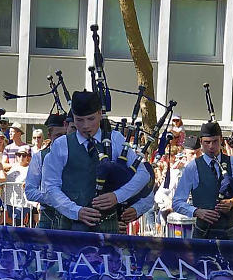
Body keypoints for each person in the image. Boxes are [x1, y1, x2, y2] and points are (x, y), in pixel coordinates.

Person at [34, 90, 150, 233]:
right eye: (79, 120)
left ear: (100, 114)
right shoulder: (61, 145)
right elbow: (50, 186)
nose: (85, 126)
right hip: (69, 227)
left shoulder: (116, 139)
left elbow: (143, 174)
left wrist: (117, 196)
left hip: (107, 226)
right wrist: (76, 211)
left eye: (91, 119)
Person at [167, 120, 233, 240]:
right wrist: (196, 211)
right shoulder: (193, 167)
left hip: (230, 232)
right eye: (207, 142)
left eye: (215, 141)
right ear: (201, 142)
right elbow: (177, 202)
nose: (211, 146)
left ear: (221, 140)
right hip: (203, 233)